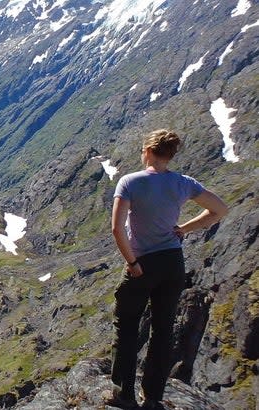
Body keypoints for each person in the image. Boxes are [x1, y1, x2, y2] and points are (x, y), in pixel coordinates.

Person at [105, 129, 228, 409]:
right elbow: (219, 209)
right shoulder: (184, 183)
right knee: (163, 330)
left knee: (126, 327)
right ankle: (153, 398)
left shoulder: (130, 182)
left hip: (143, 263)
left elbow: (116, 228)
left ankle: (123, 395)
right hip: (173, 263)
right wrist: (184, 228)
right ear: (170, 154)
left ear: (148, 151)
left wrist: (132, 262)